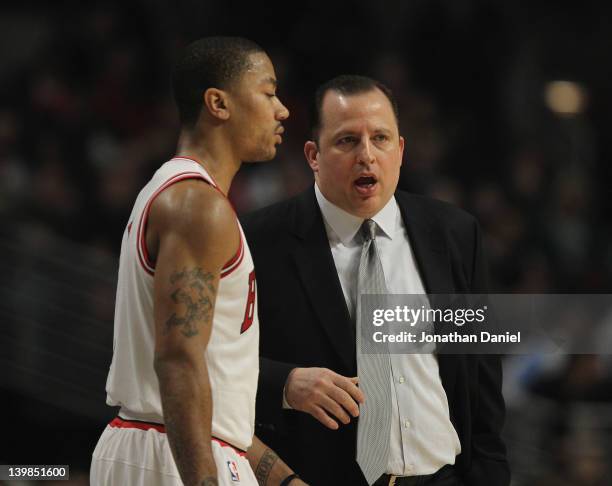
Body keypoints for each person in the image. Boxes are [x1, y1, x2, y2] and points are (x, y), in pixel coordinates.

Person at [242, 75, 510, 486]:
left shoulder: (454, 233)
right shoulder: (260, 240)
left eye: (380, 138)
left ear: (400, 149)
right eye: (347, 141)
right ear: (313, 155)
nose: (366, 155)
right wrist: (285, 383)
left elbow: (481, 379)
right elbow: (210, 366)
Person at [91, 37, 307, 486]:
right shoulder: (199, 207)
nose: (282, 110)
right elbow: (178, 360)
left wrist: (284, 481)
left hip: (169, 446)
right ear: (218, 103)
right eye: (268, 93)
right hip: (174, 455)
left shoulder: (176, 193)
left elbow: (212, 393)